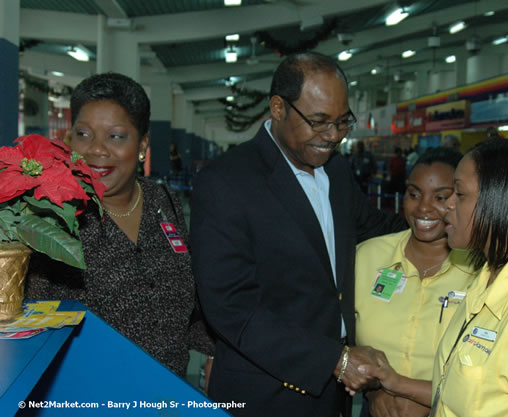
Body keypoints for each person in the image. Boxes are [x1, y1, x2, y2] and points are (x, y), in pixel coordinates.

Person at [190, 52, 407, 417]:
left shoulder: (334, 171)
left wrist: (436, 219)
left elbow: (372, 229)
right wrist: (335, 360)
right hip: (266, 392)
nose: (333, 136)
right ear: (278, 108)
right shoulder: (226, 182)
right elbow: (230, 307)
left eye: (342, 122)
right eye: (319, 121)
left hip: (333, 395)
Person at [358, 139, 508, 417]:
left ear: (504, 201)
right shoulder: (488, 280)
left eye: (459, 194)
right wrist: (393, 383)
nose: (447, 207)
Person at [25, 72, 214, 378]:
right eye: (84, 134)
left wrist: (213, 351)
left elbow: (187, 302)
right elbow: (30, 320)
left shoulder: (163, 202)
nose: (97, 149)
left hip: (169, 392)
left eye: (115, 136)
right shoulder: (52, 214)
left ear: (142, 145)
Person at [355, 147, 475, 417]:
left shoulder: (481, 271)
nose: (423, 207)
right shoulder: (367, 257)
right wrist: (375, 391)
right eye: (414, 194)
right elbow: (340, 338)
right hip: (377, 409)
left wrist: (418, 397)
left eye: (441, 197)